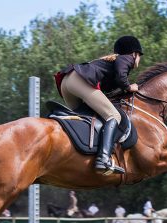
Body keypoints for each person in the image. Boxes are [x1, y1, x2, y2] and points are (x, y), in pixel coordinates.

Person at [54, 36, 143, 175]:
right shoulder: (126, 58)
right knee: (114, 115)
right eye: (139, 56)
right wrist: (129, 87)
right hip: (79, 81)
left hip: (67, 83)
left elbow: (107, 89)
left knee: (85, 117)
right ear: (134, 53)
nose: (139, 59)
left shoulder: (108, 62)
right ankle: (104, 158)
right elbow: (121, 77)